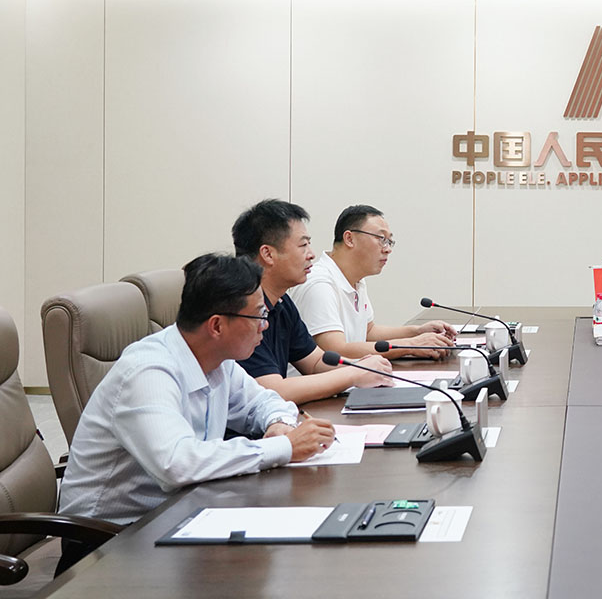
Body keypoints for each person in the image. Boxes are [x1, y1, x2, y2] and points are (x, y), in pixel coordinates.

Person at [57, 254, 335, 542]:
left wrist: (278, 424)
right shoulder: (148, 372)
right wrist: (284, 446)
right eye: (258, 316)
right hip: (110, 541)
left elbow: (264, 402)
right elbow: (177, 464)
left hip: (180, 513)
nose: (264, 325)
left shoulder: (219, 360)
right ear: (217, 326)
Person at [232, 199, 394, 404]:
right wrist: (353, 374)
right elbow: (272, 390)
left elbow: (316, 362)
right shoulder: (240, 309)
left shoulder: (282, 302)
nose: (311, 254)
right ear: (268, 254)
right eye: (303, 245)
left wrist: (362, 366)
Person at [290, 204, 456, 360]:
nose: (387, 249)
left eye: (389, 241)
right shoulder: (319, 284)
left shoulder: (356, 280)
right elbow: (336, 350)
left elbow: (368, 332)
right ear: (349, 238)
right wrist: (411, 345)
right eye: (381, 238)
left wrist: (417, 331)